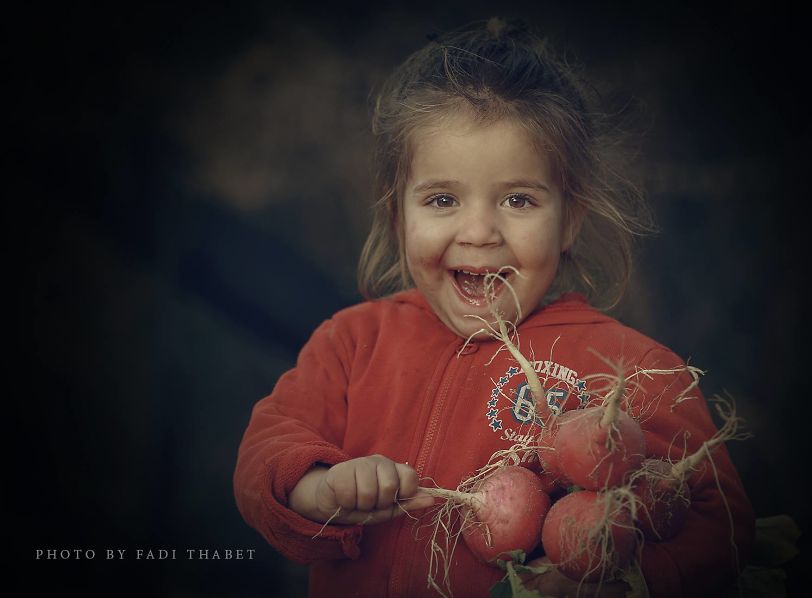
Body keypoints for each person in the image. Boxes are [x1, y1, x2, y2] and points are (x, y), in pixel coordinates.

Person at [233, 17, 754, 598]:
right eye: (441, 199)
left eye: (517, 199)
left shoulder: (633, 368)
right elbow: (265, 452)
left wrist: (612, 585)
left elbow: (720, 526)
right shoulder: (352, 343)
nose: (479, 231)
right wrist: (322, 487)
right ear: (397, 214)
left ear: (570, 217)